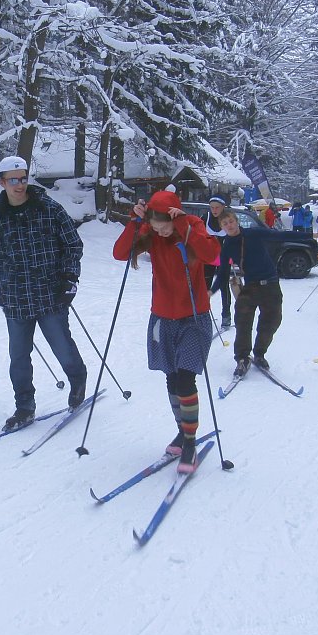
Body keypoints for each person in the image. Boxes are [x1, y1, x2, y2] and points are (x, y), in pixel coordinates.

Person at [113, 190, 220, 472]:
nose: (160, 233)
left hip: (193, 317)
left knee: (185, 379)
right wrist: (135, 222)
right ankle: (183, 432)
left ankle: (190, 443)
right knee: (172, 379)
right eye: (156, 228)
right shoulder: (150, 231)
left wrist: (182, 225)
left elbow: (211, 254)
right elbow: (120, 253)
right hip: (162, 318)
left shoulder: (192, 226)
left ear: (174, 217)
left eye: (164, 227)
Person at [0, 156, 88, 431]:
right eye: (13, 180)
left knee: (62, 347)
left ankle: (78, 378)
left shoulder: (49, 209)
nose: (19, 185)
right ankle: (24, 407)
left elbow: (73, 244)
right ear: (2, 182)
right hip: (16, 299)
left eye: (23, 178)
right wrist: (3, 288)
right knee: (19, 356)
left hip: (50, 294)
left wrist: (69, 278)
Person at [211, 209, 317, 376]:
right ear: (221, 227)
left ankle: (259, 353)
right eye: (225, 224)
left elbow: (280, 236)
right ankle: (242, 358)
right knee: (242, 322)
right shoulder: (228, 246)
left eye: (231, 221)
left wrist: (312, 236)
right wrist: (211, 291)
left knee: (272, 321)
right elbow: (223, 273)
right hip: (250, 287)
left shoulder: (253, 233)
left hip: (271, 284)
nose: (229, 225)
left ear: (236, 221)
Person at [201, 195, 232, 329]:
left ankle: (226, 315)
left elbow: (236, 237)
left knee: (224, 287)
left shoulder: (229, 219)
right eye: (212, 207)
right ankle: (203, 314)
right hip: (208, 258)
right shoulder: (205, 218)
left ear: (223, 207)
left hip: (224, 258)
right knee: (205, 287)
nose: (214, 210)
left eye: (217, 207)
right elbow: (197, 236)